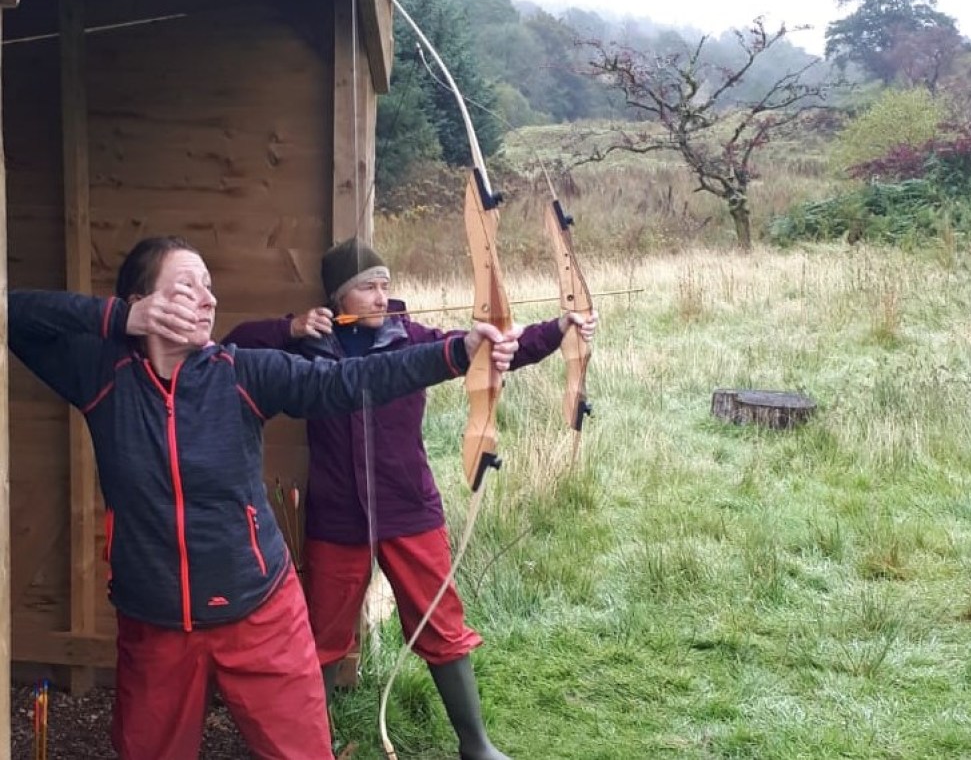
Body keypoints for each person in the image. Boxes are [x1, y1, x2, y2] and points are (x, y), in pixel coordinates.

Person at [7, 235, 520, 760]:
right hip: (154, 621)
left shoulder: (241, 372)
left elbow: (347, 380)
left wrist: (455, 353)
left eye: (209, 287)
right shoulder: (101, 375)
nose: (208, 299)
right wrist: (120, 319)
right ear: (143, 302)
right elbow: (11, 314)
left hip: (260, 614)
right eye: (187, 287)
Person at [222, 236, 598, 760]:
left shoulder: (410, 338)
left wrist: (559, 329)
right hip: (337, 517)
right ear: (338, 298)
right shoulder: (309, 347)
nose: (381, 297)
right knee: (324, 636)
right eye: (367, 288)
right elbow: (232, 346)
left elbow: (494, 350)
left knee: (441, 624)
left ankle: (476, 745)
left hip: (408, 508)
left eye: (385, 286)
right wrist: (290, 328)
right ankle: (310, 747)